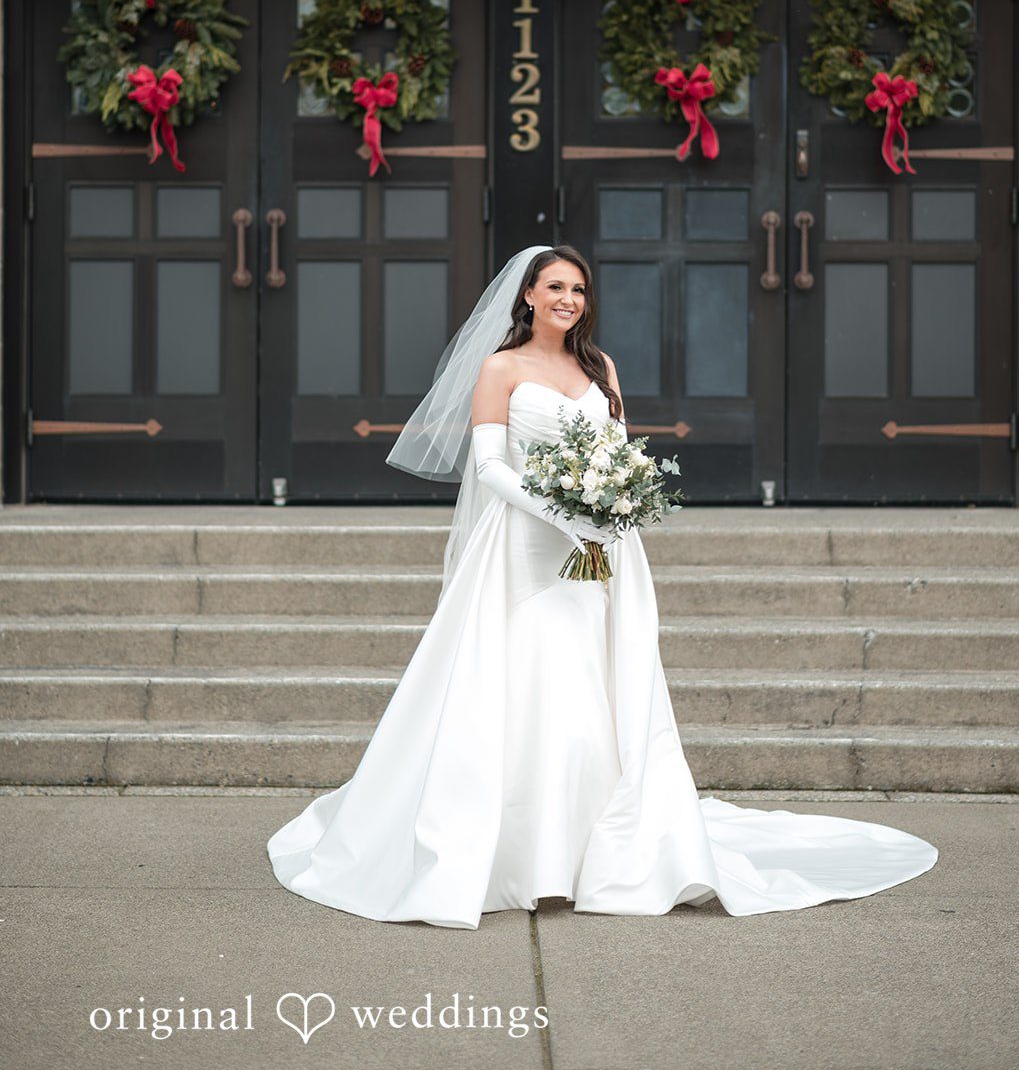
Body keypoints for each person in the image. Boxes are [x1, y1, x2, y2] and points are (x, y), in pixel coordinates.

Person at [266, 243, 938, 927]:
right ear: (527, 295)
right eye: (555, 286)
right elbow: (493, 466)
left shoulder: (600, 367)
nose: (568, 299)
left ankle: (595, 858)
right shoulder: (500, 368)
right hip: (525, 548)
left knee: (596, 682)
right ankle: (522, 859)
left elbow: (618, 452)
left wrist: (612, 507)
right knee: (530, 682)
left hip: (604, 548)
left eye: (579, 289)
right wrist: (560, 512)